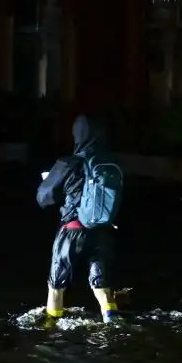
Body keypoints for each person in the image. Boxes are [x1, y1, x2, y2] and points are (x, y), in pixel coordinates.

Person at [36, 114, 123, 324]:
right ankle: (113, 324)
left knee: (56, 286)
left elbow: (43, 197)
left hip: (71, 231)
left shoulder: (69, 163)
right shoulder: (108, 163)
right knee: (102, 287)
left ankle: (50, 331)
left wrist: (50, 181)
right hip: (102, 231)